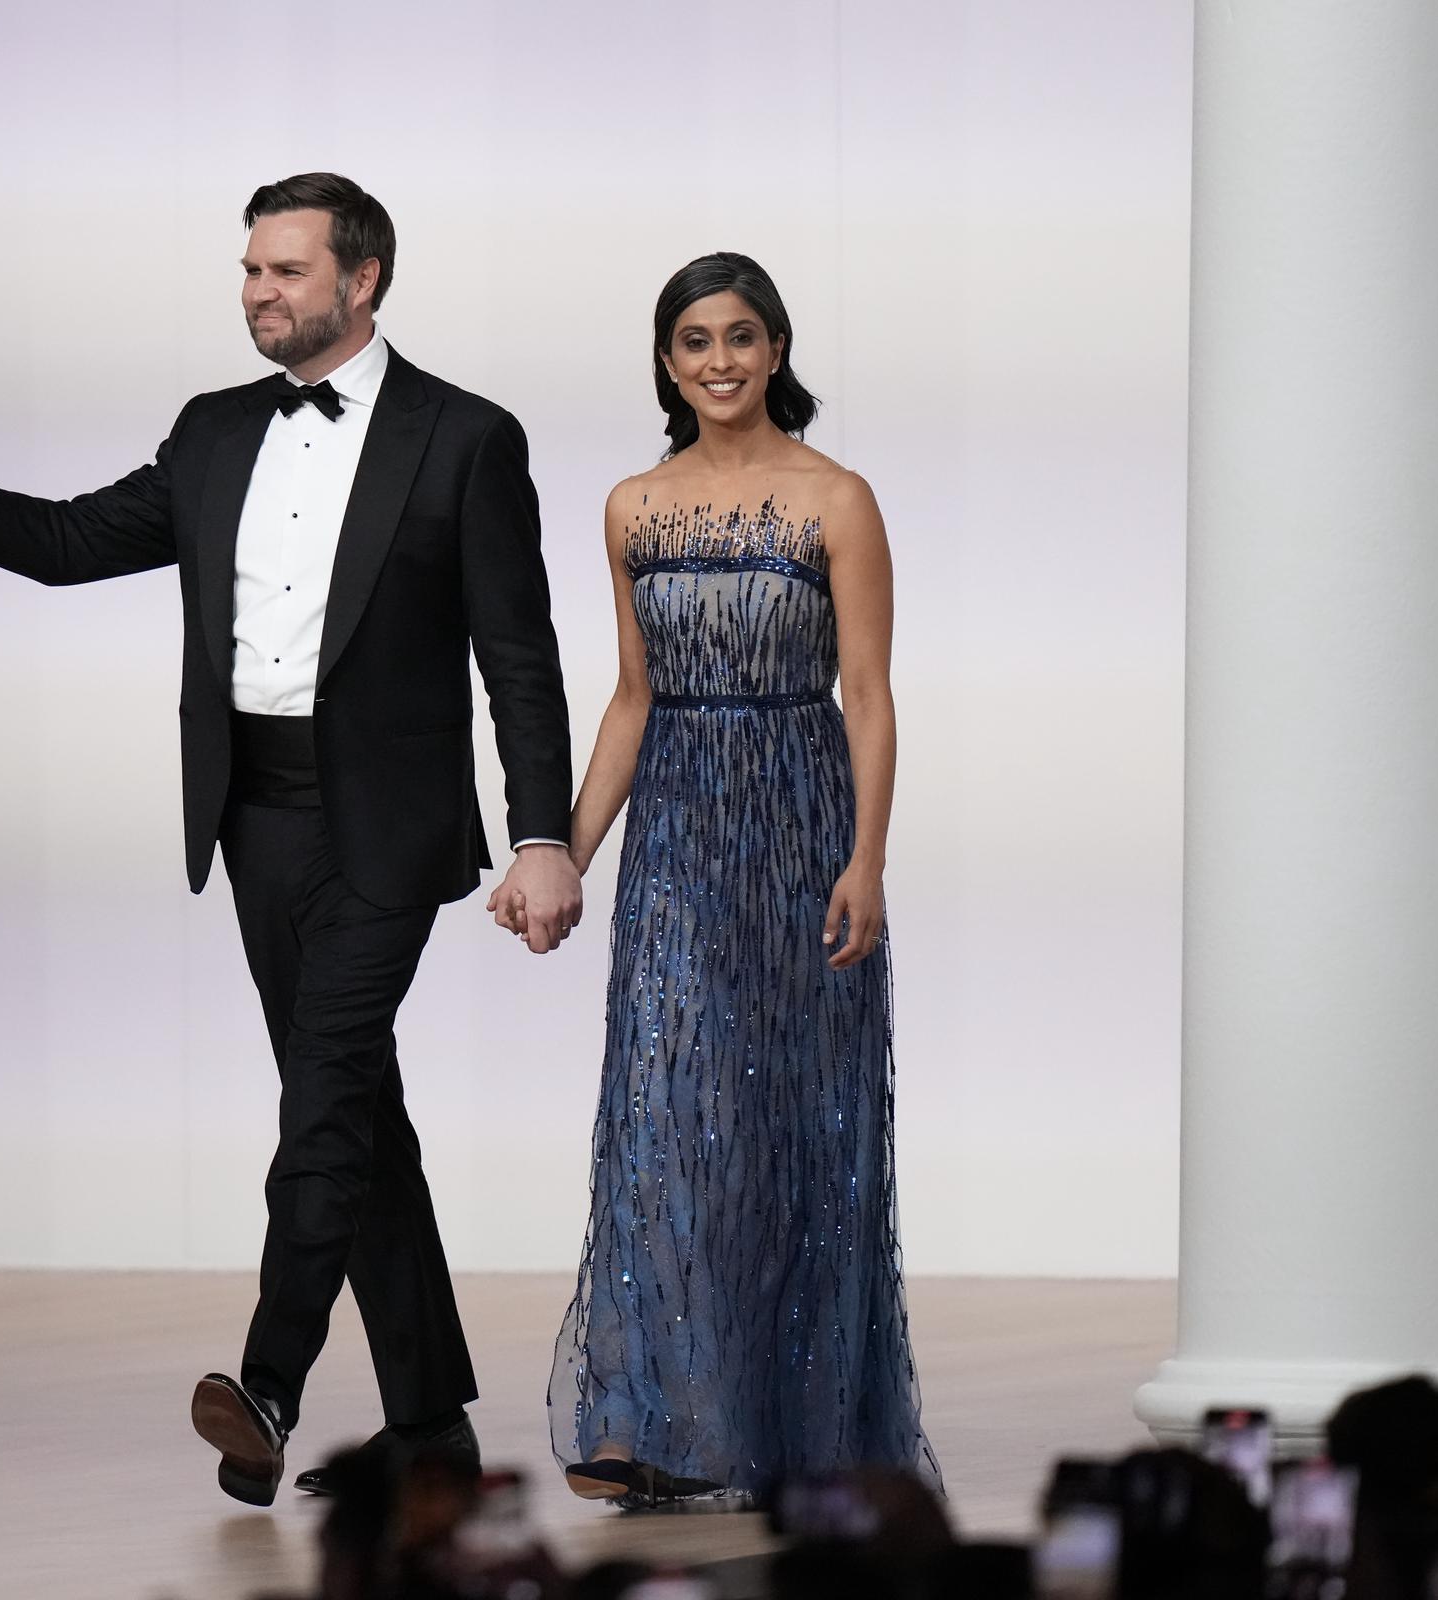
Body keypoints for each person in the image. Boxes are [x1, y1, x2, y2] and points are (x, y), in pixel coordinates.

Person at [0, 172, 582, 1506]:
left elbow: (519, 656)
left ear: (366, 279)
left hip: (391, 828)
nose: (257, 293)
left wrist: (541, 836)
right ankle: (434, 1442)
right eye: (247, 270)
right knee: (356, 1116)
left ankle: (270, 1382)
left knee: (325, 1095)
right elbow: (67, 543)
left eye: (285, 271)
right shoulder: (214, 430)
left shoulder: (466, 437)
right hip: (256, 817)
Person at [534, 252, 939, 1504]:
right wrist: (562, 848)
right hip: (674, 845)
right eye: (695, 340)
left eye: (741, 337)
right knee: (664, 1127)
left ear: (776, 352)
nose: (719, 360)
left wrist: (867, 858)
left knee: (797, 1133)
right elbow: (631, 698)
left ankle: (798, 1432)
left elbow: (866, 695)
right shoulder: (631, 507)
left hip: (802, 828)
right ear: (668, 361)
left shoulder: (837, 500)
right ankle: (648, 1424)